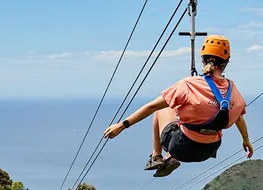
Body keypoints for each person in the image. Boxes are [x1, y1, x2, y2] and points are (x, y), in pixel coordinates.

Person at [103, 35, 254, 177]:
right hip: (210, 149)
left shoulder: (189, 84)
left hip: (182, 148)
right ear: (226, 62)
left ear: (203, 60)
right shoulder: (234, 92)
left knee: (163, 107)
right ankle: (167, 156)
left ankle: (157, 156)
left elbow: (151, 107)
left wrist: (122, 125)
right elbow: (239, 119)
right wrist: (246, 140)